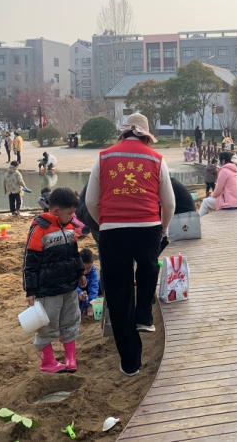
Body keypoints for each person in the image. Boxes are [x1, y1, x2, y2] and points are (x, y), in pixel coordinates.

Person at [86, 112, 176, 377]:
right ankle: (144, 316)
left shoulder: (103, 157)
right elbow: (169, 203)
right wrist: (163, 228)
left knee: (118, 293)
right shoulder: (156, 159)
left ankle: (130, 363)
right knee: (149, 268)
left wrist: (105, 222)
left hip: (112, 231)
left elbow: (91, 201)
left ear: (123, 133)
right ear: (146, 136)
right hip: (148, 227)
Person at [23, 187, 86, 373]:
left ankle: (70, 358)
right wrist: (31, 290)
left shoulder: (69, 228)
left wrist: (80, 272)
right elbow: (30, 262)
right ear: (57, 211)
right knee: (46, 325)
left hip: (69, 286)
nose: (72, 217)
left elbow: (75, 254)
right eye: (70, 214)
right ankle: (48, 362)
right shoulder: (39, 229)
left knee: (70, 319)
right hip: (48, 289)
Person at [199, 150, 237, 217]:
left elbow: (218, 189)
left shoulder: (224, 171)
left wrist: (212, 195)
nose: (219, 162)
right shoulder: (234, 169)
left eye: (219, 160)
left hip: (230, 202)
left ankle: (198, 220)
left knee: (205, 202)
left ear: (223, 161)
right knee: (212, 200)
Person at [76, 248, 99, 316]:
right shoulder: (74, 270)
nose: (85, 271)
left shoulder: (93, 271)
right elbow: (71, 284)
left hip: (87, 290)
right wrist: (79, 292)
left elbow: (94, 286)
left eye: (88, 268)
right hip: (76, 290)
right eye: (83, 268)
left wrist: (91, 304)